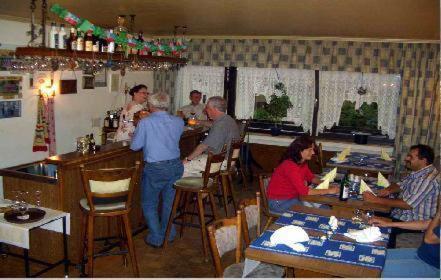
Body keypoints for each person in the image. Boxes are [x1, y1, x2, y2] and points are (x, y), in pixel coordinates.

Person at [130, 91, 184, 248]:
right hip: (175, 165)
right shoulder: (178, 121)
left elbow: (135, 146)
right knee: (169, 203)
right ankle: (169, 233)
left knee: (149, 203)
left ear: (150, 105)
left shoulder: (145, 122)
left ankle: (156, 237)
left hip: (156, 167)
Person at [363, 144, 439, 247]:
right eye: (408, 155)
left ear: (423, 161)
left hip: (412, 223)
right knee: (365, 214)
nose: (406, 158)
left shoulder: (428, 180)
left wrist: (376, 200)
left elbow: (407, 204)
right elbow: (400, 184)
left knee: (371, 223)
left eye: (411, 157)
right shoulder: (418, 173)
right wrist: (388, 190)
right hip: (398, 214)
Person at [266, 136, 339, 214]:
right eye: (310, 150)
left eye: (313, 149)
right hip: (279, 203)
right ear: (299, 151)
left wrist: (324, 183)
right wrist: (328, 191)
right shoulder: (290, 166)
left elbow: (311, 178)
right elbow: (304, 192)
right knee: (316, 211)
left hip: (294, 197)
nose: (313, 152)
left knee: (324, 208)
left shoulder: (301, 163)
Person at [369, 203, 440, 278]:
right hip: (422, 253)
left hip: (433, 265)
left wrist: (439, 212)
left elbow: (429, 239)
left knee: (373, 269)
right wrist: (389, 224)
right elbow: (427, 223)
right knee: (371, 254)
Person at [183, 96, 240, 177]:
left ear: (215, 109)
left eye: (207, 108)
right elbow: (212, 124)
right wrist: (198, 121)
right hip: (227, 160)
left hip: (218, 162)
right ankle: (201, 183)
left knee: (181, 168)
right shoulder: (227, 119)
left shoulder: (220, 125)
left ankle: (200, 186)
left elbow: (203, 146)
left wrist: (187, 159)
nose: (206, 110)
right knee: (193, 160)